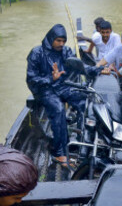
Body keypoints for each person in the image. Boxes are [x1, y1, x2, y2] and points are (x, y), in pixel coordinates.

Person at [26, 24, 95, 166]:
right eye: (58, 40)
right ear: (51, 38)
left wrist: (99, 69)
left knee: (85, 101)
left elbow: (81, 67)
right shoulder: (37, 53)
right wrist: (51, 79)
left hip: (62, 87)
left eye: (63, 41)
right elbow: (31, 79)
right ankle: (59, 152)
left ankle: (85, 139)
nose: (61, 44)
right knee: (58, 110)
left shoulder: (66, 51)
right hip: (44, 90)